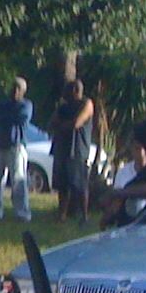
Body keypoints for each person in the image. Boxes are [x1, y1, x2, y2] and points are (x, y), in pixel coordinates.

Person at [0, 76, 34, 222]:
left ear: (24, 91)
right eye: (13, 87)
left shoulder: (26, 105)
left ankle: (22, 213)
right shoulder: (2, 104)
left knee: (18, 181)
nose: (15, 91)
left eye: (18, 88)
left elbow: (22, 117)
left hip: (16, 146)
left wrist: (3, 117)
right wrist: (6, 117)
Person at [50, 78, 96, 222]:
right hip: (62, 148)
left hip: (78, 149)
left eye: (68, 91)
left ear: (76, 90)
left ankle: (84, 216)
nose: (65, 94)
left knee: (80, 185)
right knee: (62, 185)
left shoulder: (87, 103)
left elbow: (77, 122)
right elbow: (52, 122)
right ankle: (62, 214)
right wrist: (62, 124)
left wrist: (62, 125)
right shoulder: (63, 107)